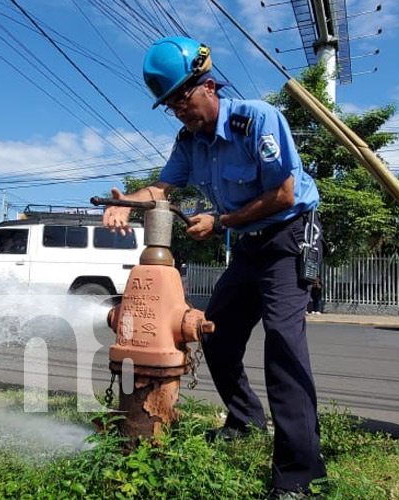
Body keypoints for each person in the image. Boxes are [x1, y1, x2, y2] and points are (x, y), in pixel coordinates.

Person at [103, 36, 325, 499]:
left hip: (289, 234)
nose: (179, 110)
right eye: (170, 104)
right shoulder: (190, 142)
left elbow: (283, 195)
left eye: (183, 96)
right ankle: (245, 420)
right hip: (248, 243)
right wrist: (124, 202)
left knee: (283, 346)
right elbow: (164, 188)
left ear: (208, 84)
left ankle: (298, 476)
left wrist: (221, 220)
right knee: (215, 332)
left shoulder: (256, 120)